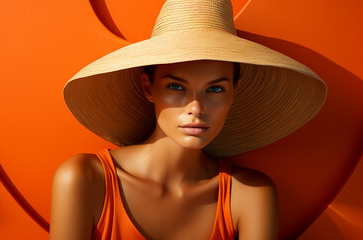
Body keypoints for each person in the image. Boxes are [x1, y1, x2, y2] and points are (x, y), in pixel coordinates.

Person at [49, 0, 327, 239]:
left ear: (234, 92)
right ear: (148, 87)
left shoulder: (249, 195)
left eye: (215, 89)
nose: (196, 107)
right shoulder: (84, 179)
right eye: (176, 87)